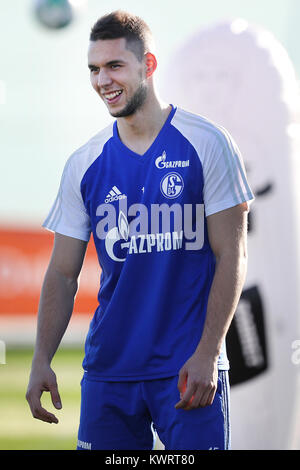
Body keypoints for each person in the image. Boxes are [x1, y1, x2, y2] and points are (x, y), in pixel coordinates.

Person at [26, 10, 254, 450]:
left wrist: (209, 352)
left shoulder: (208, 143)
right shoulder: (84, 164)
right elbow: (61, 274)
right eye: (94, 68)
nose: (102, 80)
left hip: (188, 371)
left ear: (148, 65)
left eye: (115, 66)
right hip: (109, 373)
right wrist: (41, 359)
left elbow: (233, 255)